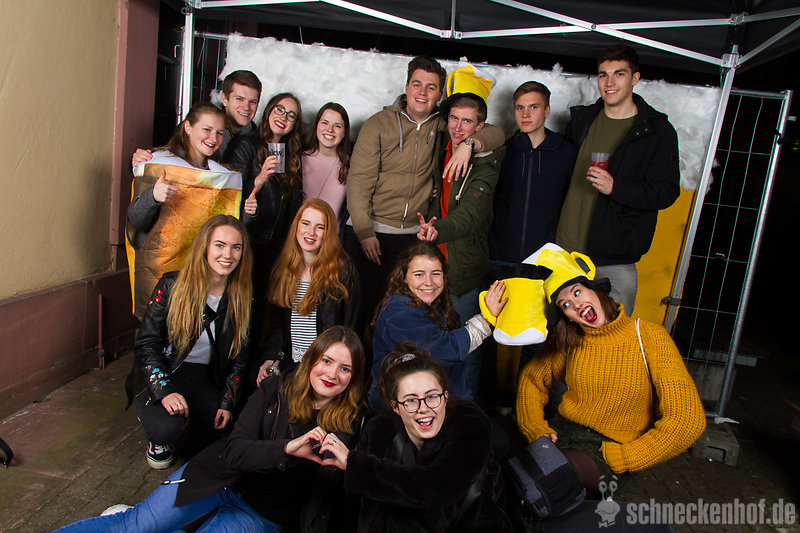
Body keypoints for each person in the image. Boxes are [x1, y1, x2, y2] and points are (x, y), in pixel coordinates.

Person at [58, 326, 366, 533]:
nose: (332, 374)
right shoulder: (276, 388)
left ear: (353, 378)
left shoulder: (351, 422)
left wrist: (350, 468)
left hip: (261, 513)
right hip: (218, 477)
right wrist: (285, 449)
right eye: (326, 361)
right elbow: (235, 450)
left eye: (345, 369)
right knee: (135, 526)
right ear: (311, 360)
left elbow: (334, 497)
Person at [516, 248, 706, 496]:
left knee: (544, 480)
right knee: (509, 465)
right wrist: (536, 429)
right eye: (566, 305)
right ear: (567, 316)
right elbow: (531, 379)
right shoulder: (572, 341)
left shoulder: (649, 337)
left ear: (595, 289)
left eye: (577, 292)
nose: (576, 305)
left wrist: (626, 456)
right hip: (562, 432)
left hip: (607, 449)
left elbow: (688, 421)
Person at [344, 56, 506, 320]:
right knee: (357, 312)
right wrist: (364, 231)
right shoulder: (378, 124)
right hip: (371, 229)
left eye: (431, 87)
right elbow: (359, 180)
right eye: (417, 84)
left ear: (439, 95)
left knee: (403, 314)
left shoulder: (443, 124)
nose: (422, 92)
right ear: (406, 87)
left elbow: (496, 133)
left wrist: (469, 145)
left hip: (412, 235)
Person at [319, 345, 513, 532]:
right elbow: (362, 510)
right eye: (411, 400)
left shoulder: (469, 422)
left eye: (432, 396)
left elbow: (436, 488)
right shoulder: (379, 430)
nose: (423, 408)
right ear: (396, 407)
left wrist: (355, 465)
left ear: (445, 397)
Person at [555, 44, 680, 314]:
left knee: (613, 334)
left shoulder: (656, 131)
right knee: (560, 335)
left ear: (635, 78)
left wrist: (616, 187)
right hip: (565, 254)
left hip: (613, 259)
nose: (609, 82)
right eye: (603, 75)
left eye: (619, 74)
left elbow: (666, 192)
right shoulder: (582, 120)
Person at [126, 214, 253, 470]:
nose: (227, 254)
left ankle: (193, 415)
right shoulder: (171, 285)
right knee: (165, 429)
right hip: (168, 370)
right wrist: (164, 391)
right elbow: (147, 344)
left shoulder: (243, 297)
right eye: (219, 245)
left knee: (227, 434)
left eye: (236, 247)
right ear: (205, 247)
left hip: (204, 376)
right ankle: (156, 430)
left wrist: (227, 401)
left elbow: (240, 356)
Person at [417, 65, 506, 400]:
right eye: (454, 119)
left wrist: (436, 230)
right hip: (433, 266)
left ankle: (466, 410)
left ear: (479, 126)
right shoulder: (442, 141)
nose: (458, 127)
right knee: (433, 345)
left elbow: (469, 216)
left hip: (463, 269)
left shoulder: (486, 161)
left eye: (467, 122)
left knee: (468, 347)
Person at [126, 102, 237, 319]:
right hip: (160, 279)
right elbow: (135, 221)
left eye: (219, 133)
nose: (213, 138)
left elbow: (229, 229)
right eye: (207, 129)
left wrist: (250, 212)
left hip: (201, 279)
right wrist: (153, 196)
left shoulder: (222, 176)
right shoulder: (158, 162)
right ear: (187, 127)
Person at [370, 241, 506, 411]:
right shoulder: (399, 311)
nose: (429, 282)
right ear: (403, 277)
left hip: (438, 402)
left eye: (435, 273)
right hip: (401, 410)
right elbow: (442, 350)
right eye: (419, 274)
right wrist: (486, 319)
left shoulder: (433, 303)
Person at [251, 199, 362, 389]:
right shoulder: (284, 267)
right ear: (296, 226)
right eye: (305, 224)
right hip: (290, 364)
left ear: (329, 233)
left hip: (326, 368)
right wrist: (271, 358)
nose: (311, 232)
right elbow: (278, 327)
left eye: (320, 227)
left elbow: (351, 330)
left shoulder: (343, 272)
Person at [227, 92, 305, 347]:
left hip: (274, 246)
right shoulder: (246, 144)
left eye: (291, 115)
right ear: (269, 110)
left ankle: (252, 365)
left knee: (261, 309)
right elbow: (228, 193)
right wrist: (259, 179)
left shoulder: (290, 154)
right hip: (247, 239)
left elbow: (289, 203)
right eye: (279, 109)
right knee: (239, 308)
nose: (284, 117)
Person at [489, 81, 576, 265]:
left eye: (533, 107)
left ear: (547, 111)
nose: (525, 114)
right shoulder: (504, 151)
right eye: (520, 108)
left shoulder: (565, 153)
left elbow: (572, 204)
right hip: (502, 258)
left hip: (546, 260)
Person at [131, 69, 262, 164]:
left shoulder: (252, 131)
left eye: (252, 102)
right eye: (239, 99)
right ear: (224, 99)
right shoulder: (200, 123)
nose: (246, 107)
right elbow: (168, 156)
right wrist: (142, 160)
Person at [302, 102, 352, 229]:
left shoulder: (351, 165)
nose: (330, 130)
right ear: (316, 126)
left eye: (337, 126)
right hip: (299, 235)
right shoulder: (299, 159)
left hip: (332, 237)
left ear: (344, 132)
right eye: (325, 123)